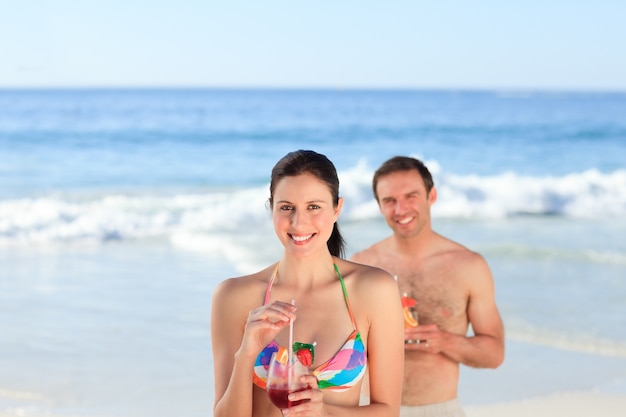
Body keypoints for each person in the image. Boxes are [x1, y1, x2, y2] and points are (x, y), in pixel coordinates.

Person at [211, 150, 404, 417]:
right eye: (286, 207)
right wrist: (245, 354)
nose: (298, 222)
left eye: (314, 207)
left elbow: (388, 412)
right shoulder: (233, 296)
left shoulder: (374, 290)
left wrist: (324, 411)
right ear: (272, 208)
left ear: (337, 209)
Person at [350, 156, 505, 417]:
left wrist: (445, 341)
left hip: (438, 410)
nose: (400, 209)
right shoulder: (362, 266)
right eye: (389, 201)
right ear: (379, 206)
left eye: (411, 196)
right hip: (369, 409)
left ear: (431, 196)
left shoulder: (468, 266)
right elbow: (336, 346)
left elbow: (494, 354)